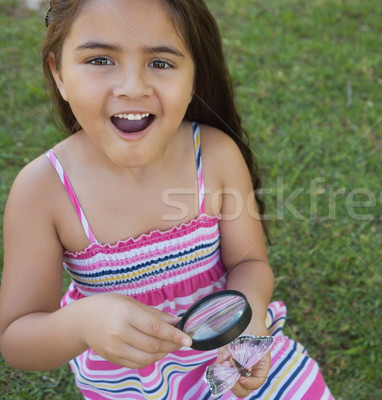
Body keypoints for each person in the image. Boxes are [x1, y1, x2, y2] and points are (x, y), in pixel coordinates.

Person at [0, 0, 335, 399]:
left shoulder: (215, 155)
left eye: (160, 63)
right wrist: (82, 322)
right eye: (100, 59)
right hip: (132, 385)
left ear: (194, 75)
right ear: (59, 74)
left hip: (228, 355)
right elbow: (17, 338)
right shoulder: (43, 190)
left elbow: (249, 262)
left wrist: (249, 320)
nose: (132, 87)